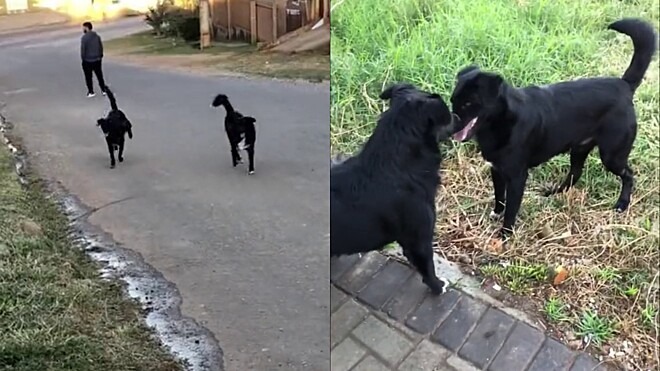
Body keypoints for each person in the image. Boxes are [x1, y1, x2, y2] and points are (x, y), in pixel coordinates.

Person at [80, 21, 107, 98]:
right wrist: (100, 56)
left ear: (87, 28)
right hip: (97, 59)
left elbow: (83, 50)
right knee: (99, 75)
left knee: (88, 77)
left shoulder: (84, 38)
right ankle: (103, 90)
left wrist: (83, 59)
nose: (83, 29)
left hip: (88, 60)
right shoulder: (97, 36)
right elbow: (100, 47)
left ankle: (91, 91)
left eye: (84, 28)